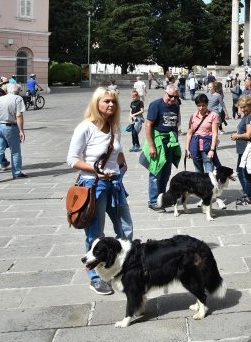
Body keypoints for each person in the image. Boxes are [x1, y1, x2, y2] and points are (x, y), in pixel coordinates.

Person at [67, 86, 132, 296]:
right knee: (95, 234)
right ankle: (95, 277)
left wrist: (122, 165)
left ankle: (124, 267)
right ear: (97, 103)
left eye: (113, 101)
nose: (110, 104)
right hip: (94, 186)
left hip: (115, 184)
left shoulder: (113, 127)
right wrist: (96, 170)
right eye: (106, 101)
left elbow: (117, 152)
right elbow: (72, 160)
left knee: (125, 229)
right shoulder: (85, 127)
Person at [143, 85, 182, 211]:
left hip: (169, 143)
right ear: (165, 93)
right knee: (155, 173)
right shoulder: (156, 105)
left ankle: (161, 198)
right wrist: (151, 146)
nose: (172, 99)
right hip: (158, 142)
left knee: (166, 173)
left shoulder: (176, 105)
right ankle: (153, 201)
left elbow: (175, 124)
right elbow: (148, 125)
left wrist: (175, 140)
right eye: (170, 96)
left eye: (175, 97)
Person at [0, 83, 26, 182]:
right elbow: (19, 116)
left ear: (7, 90)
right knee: (15, 151)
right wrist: (21, 130)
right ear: (17, 91)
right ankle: (17, 172)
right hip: (10, 127)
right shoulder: (18, 99)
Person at [230, 94, 251, 205]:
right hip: (243, 149)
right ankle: (247, 194)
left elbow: (248, 135)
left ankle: (249, 198)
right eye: (241, 107)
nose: (242, 109)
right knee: (240, 173)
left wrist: (237, 136)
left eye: (244, 107)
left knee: (246, 175)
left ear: (250, 105)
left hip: (247, 149)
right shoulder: (247, 115)